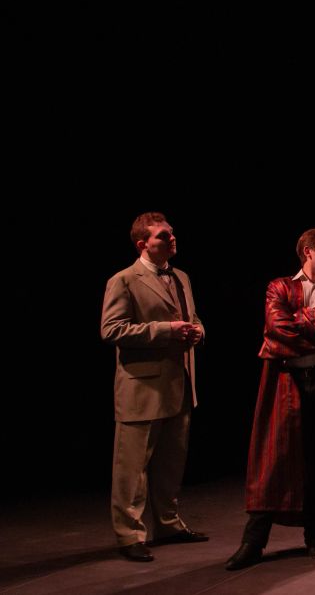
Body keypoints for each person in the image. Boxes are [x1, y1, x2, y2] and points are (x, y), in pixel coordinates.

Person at [226, 227, 315, 570]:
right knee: (272, 460)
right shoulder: (280, 286)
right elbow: (276, 329)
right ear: (307, 251)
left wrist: (299, 320)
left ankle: (314, 537)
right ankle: (253, 543)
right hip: (288, 382)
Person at [101, 212, 208, 562]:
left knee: (170, 462)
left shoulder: (181, 277)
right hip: (142, 387)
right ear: (142, 244)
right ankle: (129, 534)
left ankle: (168, 524)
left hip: (179, 382)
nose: (171, 238)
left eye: (171, 233)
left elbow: (192, 318)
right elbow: (112, 329)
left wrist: (197, 330)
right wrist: (165, 330)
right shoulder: (124, 280)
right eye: (163, 235)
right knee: (132, 469)